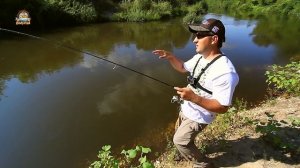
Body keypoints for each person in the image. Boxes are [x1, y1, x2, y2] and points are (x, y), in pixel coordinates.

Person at [152, 18, 239, 168]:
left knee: (179, 140)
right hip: (186, 108)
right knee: (179, 135)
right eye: (195, 35)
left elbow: (223, 108)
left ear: (214, 39)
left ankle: (203, 164)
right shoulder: (200, 57)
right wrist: (171, 57)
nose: (194, 40)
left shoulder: (225, 72)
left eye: (199, 36)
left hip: (199, 116)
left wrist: (193, 97)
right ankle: (183, 152)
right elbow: (182, 67)